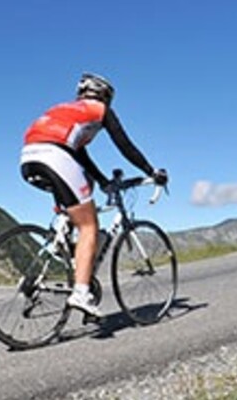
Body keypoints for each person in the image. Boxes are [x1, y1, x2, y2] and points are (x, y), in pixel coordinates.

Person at [20, 72, 167, 318]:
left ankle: (65, 246)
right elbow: (125, 146)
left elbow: (80, 156)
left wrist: (101, 182)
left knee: (79, 195)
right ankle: (80, 292)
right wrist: (151, 171)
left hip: (29, 158)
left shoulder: (65, 110)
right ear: (105, 97)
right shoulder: (100, 110)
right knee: (89, 225)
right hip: (56, 156)